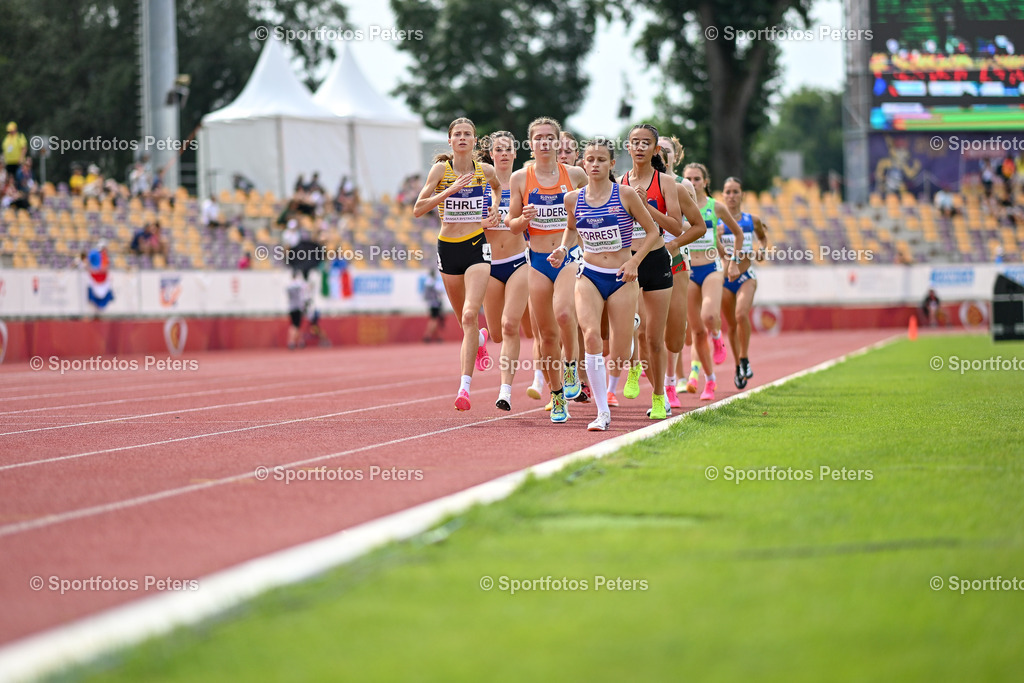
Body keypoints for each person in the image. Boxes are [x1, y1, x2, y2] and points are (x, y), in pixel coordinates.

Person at [414, 117, 502, 411]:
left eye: (468, 134)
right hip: (448, 249)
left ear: (475, 140)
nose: (463, 138)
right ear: (450, 141)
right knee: (465, 323)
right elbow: (418, 209)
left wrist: (494, 209)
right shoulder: (441, 170)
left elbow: (497, 188)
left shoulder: (485, 170)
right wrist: (449, 191)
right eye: (458, 134)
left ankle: (464, 388)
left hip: (477, 246)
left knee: (469, 314)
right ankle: (479, 341)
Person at [506, 116, 588, 423]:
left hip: (567, 256)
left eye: (548, 137)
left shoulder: (575, 175)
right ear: (530, 143)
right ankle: (557, 397)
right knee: (547, 335)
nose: (543, 142)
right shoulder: (520, 178)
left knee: (565, 314)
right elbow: (512, 225)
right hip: (538, 262)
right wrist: (523, 219)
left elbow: (594, 204)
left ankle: (571, 368)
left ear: (557, 141)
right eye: (538, 138)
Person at [618, 124, 683, 420]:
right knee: (634, 331)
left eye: (646, 143)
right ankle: (633, 367)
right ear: (628, 147)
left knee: (655, 338)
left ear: (656, 149)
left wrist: (646, 207)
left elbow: (676, 227)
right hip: (628, 260)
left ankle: (659, 397)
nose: (640, 147)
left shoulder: (665, 182)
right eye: (635, 142)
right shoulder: (620, 183)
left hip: (656, 260)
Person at [682, 162, 743, 401]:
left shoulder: (715, 206)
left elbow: (738, 233)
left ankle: (717, 337)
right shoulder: (678, 206)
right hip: (688, 270)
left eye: (697, 178)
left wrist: (734, 261)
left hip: (712, 268)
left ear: (705, 182)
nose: (693, 183)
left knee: (709, 316)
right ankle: (709, 380)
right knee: (696, 331)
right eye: (688, 179)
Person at [480, 131, 530, 410]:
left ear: (514, 153)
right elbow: (463, 225)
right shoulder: (482, 185)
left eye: (507, 149)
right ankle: (482, 338)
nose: (503, 154)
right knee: (497, 334)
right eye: (497, 149)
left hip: (517, 262)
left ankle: (505, 392)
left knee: (511, 326)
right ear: (491, 154)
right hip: (489, 265)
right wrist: (482, 222)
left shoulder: (523, 183)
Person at [719, 177, 768, 389]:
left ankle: (745, 358)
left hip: (746, 275)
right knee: (731, 325)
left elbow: (762, 238)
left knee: (741, 315)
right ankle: (738, 365)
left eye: (735, 191)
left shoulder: (752, 220)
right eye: (728, 192)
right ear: (723, 195)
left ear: (742, 195)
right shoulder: (717, 222)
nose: (731, 196)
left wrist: (762, 250)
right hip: (724, 278)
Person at [286, 271, 308, 350]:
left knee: (295, 325)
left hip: (291, 307)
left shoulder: (289, 286)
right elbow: (305, 292)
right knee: (296, 325)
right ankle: (292, 341)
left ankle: (300, 341)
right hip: (298, 307)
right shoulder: (300, 284)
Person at [422, 268, 445, 342]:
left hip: (431, 303)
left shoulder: (428, 281)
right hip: (435, 303)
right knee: (434, 320)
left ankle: (438, 337)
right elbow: (439, 291)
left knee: (434, 319)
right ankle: (427, 335)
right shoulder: (433, 282)